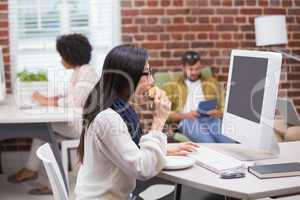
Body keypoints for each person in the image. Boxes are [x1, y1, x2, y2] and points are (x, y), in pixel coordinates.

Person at [75, 44, 198, 200]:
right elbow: (143, 169)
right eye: (146, 73)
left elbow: (127, 150)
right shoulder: (108, 118)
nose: (152, 80)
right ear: (125, 77)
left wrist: (166, 149)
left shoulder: (116, 109)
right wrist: (159, 120)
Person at [7, 33, 99, 194]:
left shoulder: (87, 74)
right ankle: (32, 171)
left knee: (44, 130)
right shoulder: (80, 71)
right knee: (43, 130)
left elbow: (73, 100)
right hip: (78, 123)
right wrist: (47, 98)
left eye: (61, 55)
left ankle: (50, 182)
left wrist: (45, 101)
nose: (60, 59)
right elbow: (67, 94)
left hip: (83, 127)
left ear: (70, 55)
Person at [163, 51, 233, 143]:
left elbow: (224, 106)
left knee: (228, 142)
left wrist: (218, 112)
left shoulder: (211, 82)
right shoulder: (173, 85)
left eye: (197, 69)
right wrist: (186, 115)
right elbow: (165, 113)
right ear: (183, 68)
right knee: (209, 142)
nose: (194, 72)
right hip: (188, 120)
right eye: (191, 69)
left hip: (211, 119)